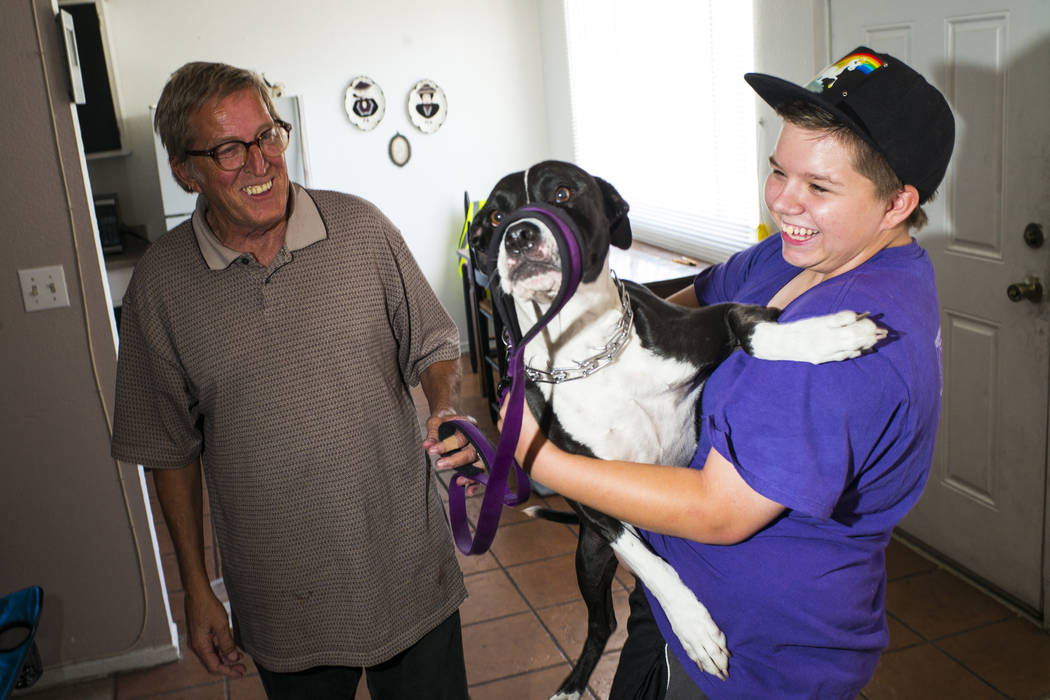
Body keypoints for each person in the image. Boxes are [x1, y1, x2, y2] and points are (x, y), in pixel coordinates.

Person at [493, 47, 954, 698]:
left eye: (819, 187)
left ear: (897, 202)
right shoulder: (799, 253)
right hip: (680, 584)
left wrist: (536, 457)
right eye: (779, 171)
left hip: (756, 658)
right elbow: (691, 302)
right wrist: (589, 328)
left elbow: (719, 513)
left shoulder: (847, 343)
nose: (784, 201)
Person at [111, 62, 477, 700]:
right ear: (184, 170)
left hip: (406, 565)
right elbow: (168, 449)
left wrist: (442, 403)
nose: (261, 163)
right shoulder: (161, 286)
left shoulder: (361, 229)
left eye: (268, 135)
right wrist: (197, 588)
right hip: (282, 593)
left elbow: (436, 341)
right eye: (229, 148)